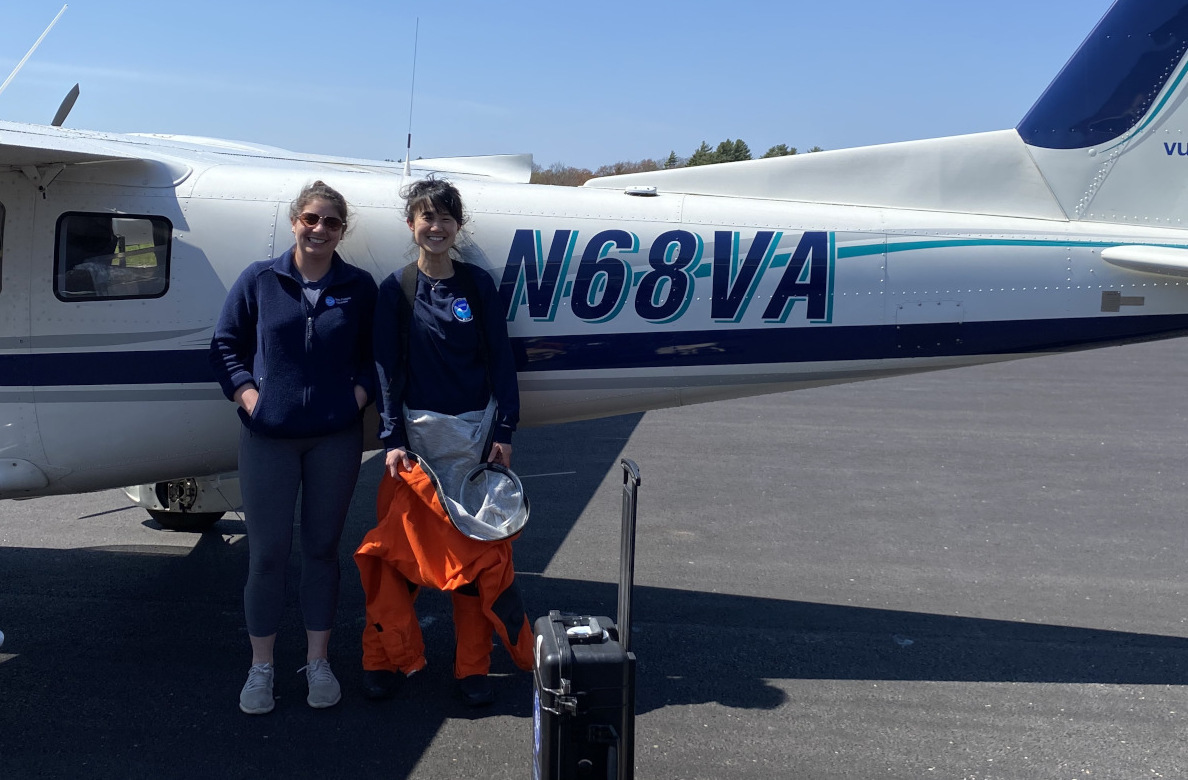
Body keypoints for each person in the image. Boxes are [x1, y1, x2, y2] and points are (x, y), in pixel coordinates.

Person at [359, 177, 533, 706]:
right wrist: (391, 439)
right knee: (397, 556)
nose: (436, 227)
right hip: (416, 447)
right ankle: (383, 658)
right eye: (426, 218)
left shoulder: (477, 286)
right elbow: (387, 370)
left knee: (476, 558)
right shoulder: (396, 288)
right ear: (411, 224)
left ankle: (472, 668)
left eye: (445, 218)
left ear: (458, 227)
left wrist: (504, 430)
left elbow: (501, 361)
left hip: (475, 440)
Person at [210, 181, 378, 715]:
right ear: (294, 222)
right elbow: (225, 344)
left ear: (342, 230)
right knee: (267, 556)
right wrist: (248, 394)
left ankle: (318, 661)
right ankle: (261, 668)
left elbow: (377, 353)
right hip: (269, 439)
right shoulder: (260, 280)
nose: (320, 229)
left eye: (331, 222)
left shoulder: (359, 286)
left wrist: (357, 396)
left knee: (323, 551)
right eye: (311, 218)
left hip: (334, 437)